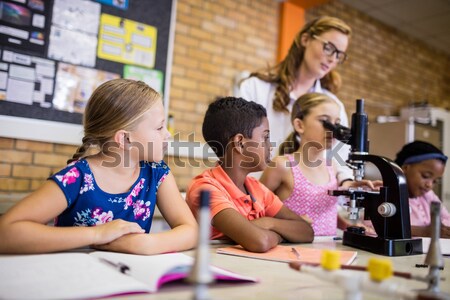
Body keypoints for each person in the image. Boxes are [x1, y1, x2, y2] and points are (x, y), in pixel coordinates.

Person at [0, 79, 198, 254]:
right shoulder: (76, 177)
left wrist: (146, 244)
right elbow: (6, 233)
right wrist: (96, 234)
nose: (168, 134)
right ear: (125, 138)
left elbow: (190, 231)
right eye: (159, 127)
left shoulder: (156, 173)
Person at [186, 97, 314, 253]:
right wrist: (282, 233)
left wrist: (269, 223)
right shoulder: (206, 189)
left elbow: (306, 231)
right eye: (265, 138)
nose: (270, 146)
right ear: (240, 143)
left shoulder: (256, 188)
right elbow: (260, 241)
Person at [239, 16, 353, 184]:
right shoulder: (255, 88)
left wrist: (347, 181)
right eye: (329, 48)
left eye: (339, 55)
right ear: (305, 39)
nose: (332, 59)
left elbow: (340, 159)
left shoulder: (334, 106)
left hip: (308, 199)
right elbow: (236, 147)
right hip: (255, 195)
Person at [260, 93, 381, 236]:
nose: (333, 130)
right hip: (293, 251)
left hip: (326, 250)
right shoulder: (282, 165)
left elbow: (324, 212)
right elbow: (256, 209)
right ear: (299, 125)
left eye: (336, 124)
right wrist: (290, 222)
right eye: (325, 121)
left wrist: (347, 226)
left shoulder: (332, 166)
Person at [394, 141, 450, 238]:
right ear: (406, 168)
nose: (430, 185)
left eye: (435, 181)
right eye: (426, 176)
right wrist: (423, 231)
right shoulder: (385, 192)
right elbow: (371, 228)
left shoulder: (428, 196)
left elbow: (446, 219)